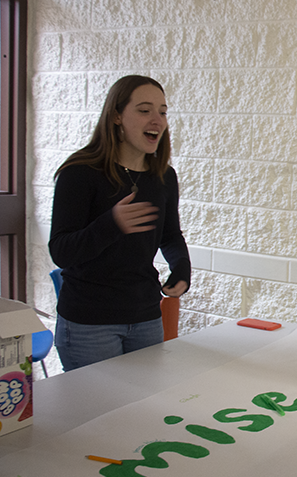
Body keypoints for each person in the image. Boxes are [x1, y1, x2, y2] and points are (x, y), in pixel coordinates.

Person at [50, 75, 191, 372]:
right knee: (96, 415)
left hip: (146, 316)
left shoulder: (164, 177)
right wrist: (110, 224)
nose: (157, 120)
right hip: (89, 323)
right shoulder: (80, 173)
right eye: (144, 110)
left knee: (140, 412)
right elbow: (61, 252)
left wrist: (181, 269)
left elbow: (170, 236)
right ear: (116, 116)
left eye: (162, 112)